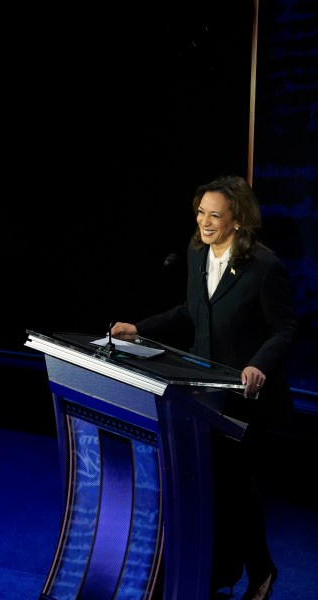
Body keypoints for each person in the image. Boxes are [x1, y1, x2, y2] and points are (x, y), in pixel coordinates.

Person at [110, 175, 297, 600]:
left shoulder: (265, 267)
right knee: (210, 485)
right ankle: (217, 575)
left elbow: (285, 328)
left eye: (215, 215)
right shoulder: (196, 253)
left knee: (237, 489)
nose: (204, 222)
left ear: (238, 221)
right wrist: (139, 329)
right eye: (201, 212)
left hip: (246, 398)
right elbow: (188, 312)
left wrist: (258, 365)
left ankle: (260, 571)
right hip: (199, 392)